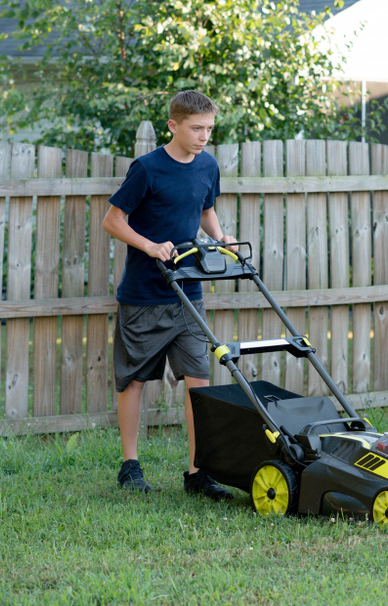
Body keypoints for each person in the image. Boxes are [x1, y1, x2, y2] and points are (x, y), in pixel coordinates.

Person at [102, 90, 235, 500]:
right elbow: (113, 220)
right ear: (173, 126)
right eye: (197, 129)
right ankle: (130, 466)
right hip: (144, 294)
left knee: (199, 382)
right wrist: (149, 245)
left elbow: (205, 209)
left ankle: (198, 471)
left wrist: (220, 236)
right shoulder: (146, 169)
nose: (204, 137)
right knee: (135, 381)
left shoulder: (208, 165)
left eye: (210, 129)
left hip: (188, 292)